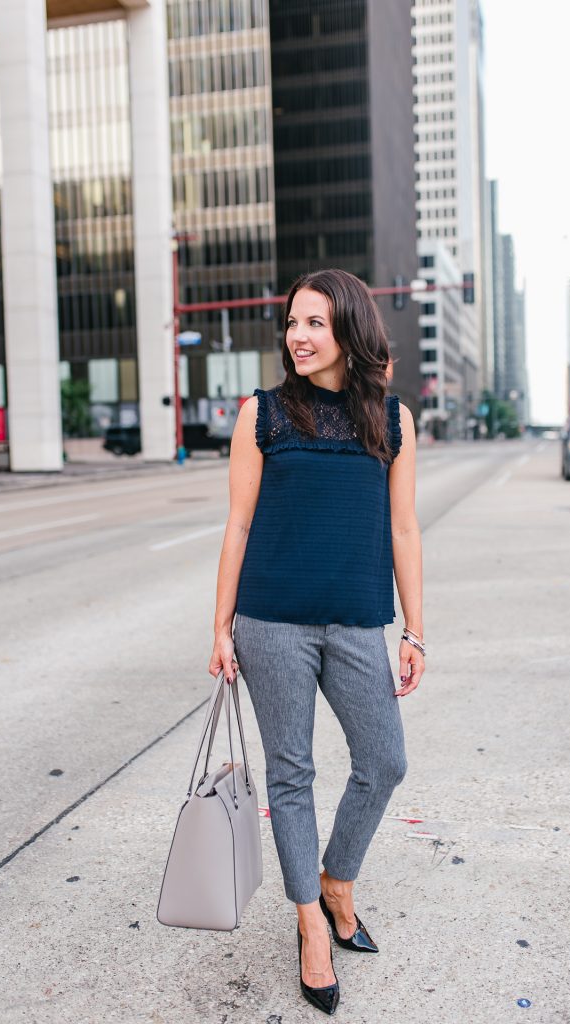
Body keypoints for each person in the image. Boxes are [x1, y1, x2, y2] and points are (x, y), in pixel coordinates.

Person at [208, 268, 425, 1016]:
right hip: (271, 622)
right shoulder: (261, 415)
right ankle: (309, 924)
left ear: (349, 334)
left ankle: (338, 878)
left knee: (384, 761)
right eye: (292, 323)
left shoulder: (390, 421)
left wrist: (415, 630)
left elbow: (402, 529)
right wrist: (220, 626)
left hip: (358, 619)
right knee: (290, 775)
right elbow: (236, 525)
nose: (298, 336)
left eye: (314, 324)